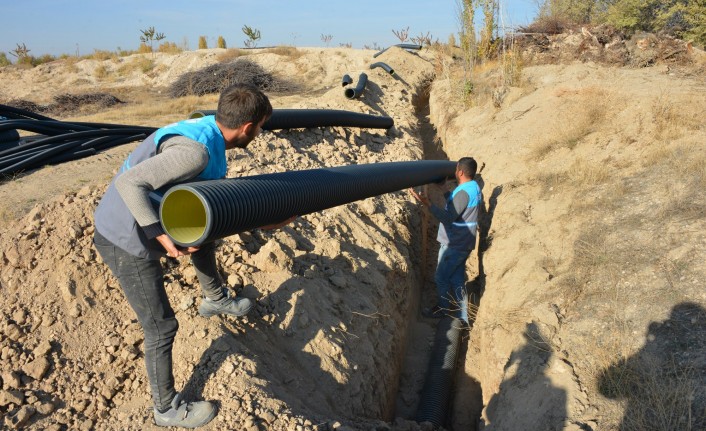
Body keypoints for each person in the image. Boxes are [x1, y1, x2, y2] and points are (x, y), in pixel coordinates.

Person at [93, 83, 291, 428]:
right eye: (261, 127)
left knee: (206, 236)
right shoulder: (195, 152)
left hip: (151, 218)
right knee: (161, 325)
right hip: (124, 235)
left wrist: (268, 220)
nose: (260, 133)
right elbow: (129, 184)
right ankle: (166, 409)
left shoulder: (210, 134)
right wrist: (159, 235)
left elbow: (221, 203)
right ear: (247, 128)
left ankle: (214, 298)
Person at [409, 157, 481, 324]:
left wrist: (427, 203)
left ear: (461, 172)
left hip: (455, 244)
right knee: (456, 278)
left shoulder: (464, 192)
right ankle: (463, 316)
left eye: (456, 169)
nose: (454, 172)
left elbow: (449, 218)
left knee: (441, 277)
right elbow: (459, 207)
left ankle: (442, 310)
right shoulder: (473, 187)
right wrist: (445, 190)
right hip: (464, 242)